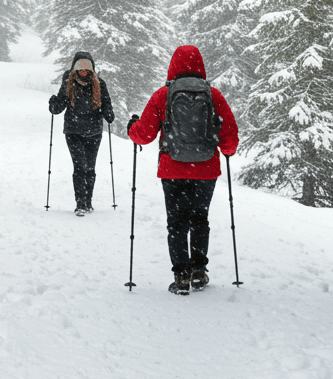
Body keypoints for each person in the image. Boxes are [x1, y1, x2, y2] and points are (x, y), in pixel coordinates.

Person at [125, 45, 239, 295]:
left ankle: (181, 276)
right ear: (200, 65)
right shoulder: (213, 95)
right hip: (206, 169)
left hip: (173, 169)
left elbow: (144, 134)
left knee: (176, 222)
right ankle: (199, 270)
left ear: (173, 66)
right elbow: (229, 134)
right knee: (199, 218)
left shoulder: (163, 95)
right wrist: (228, 150)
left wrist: (132, 127)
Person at [48, 51, 115, 215]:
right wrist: (54, 105)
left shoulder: (100, 84)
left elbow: (106, 103)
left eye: (87, 69)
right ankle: (80, 204)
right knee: (80, 167)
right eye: (80, 68)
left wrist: (108, 113)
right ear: (75, 68)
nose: (84, 72)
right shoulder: (68, 83)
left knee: (90, 168)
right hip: (74, 132)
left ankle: (88, 202)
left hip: (94, 132)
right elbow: (59, 107)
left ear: (92, 69)